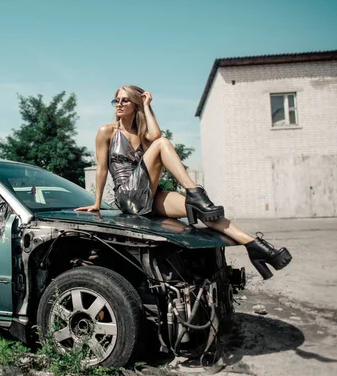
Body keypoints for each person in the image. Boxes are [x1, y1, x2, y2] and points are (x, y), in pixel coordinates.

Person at [75, 85, 292, 279]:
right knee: (162, 145)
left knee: (202, 211)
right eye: (116, 100)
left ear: (136, 104)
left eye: (124, 100)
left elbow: (155, 133)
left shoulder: (142, 134)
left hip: (148, 194)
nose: (119, 104)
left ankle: (256, 247)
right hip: (127, 196)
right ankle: (195, 190)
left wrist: (147, 106)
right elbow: (103, 168)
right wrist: (97, 202)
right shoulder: (107, 132)